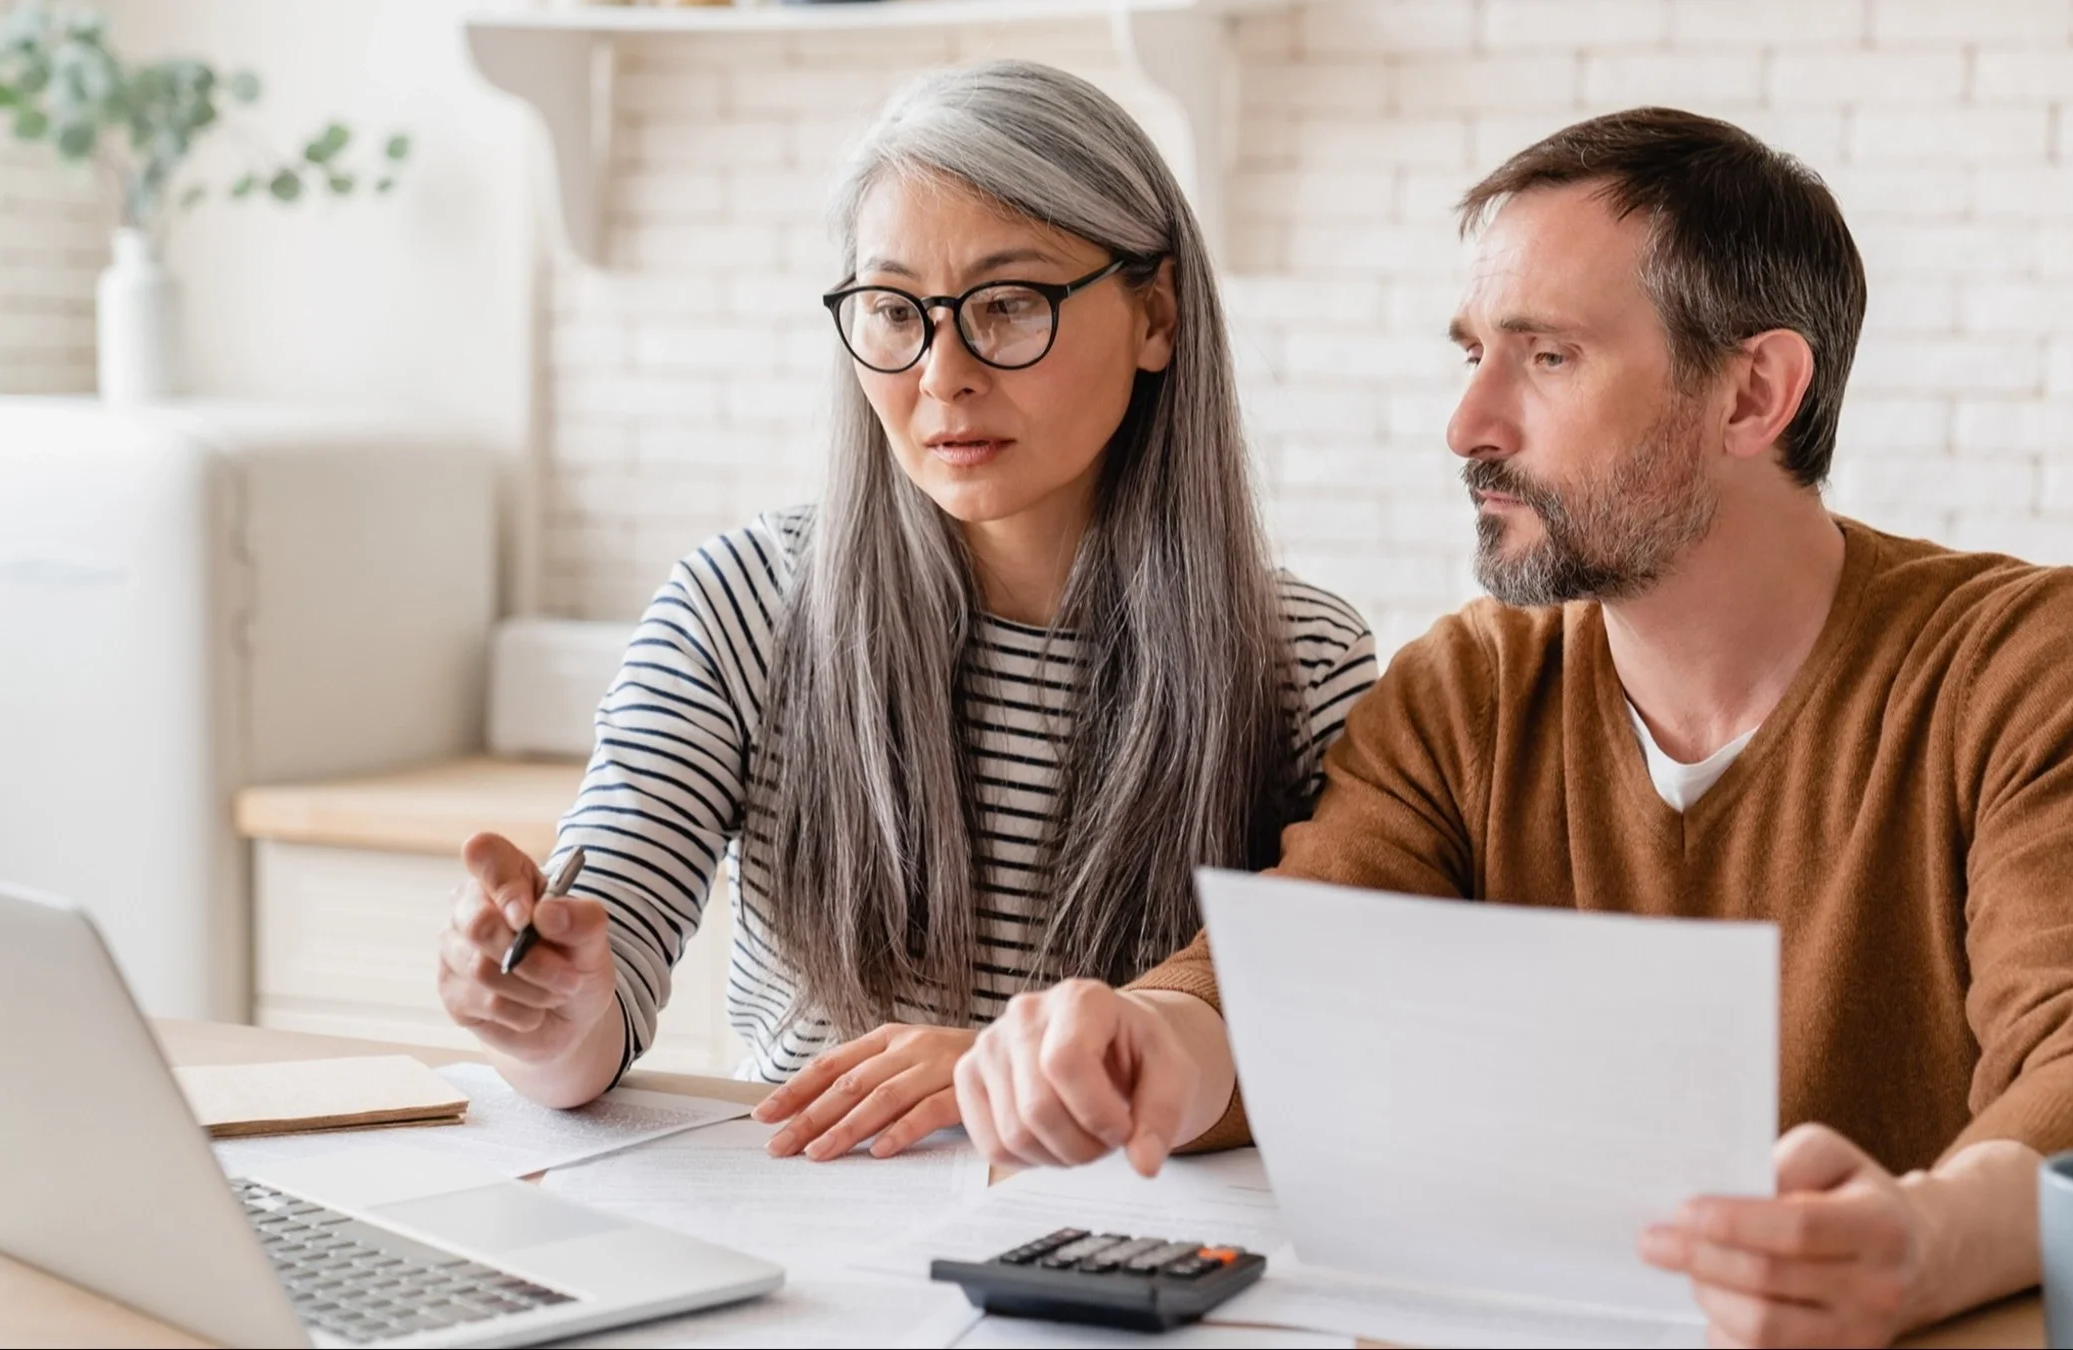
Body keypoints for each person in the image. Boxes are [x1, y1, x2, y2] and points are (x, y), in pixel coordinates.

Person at [954, 107, 2073, 1347]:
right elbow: (1294, 978)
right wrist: (1140, 1043)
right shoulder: (1466, 689)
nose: (1469, 426)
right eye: (1473, 355)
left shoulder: (2027, 664)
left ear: (1753, 395)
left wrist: (1920, 1242)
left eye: (1548, 357)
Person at [432, 61, 1375, 1163]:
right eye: (893, 312)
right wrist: (540, 1002)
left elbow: (1327, 1040)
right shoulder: (745, 603)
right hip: (819, 1229)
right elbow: (593, 1015)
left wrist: (1003, 1077)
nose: (943, 375)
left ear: (1156, 314)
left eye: (1010, 305)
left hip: (1138, 1248)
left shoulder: (1301, 661)